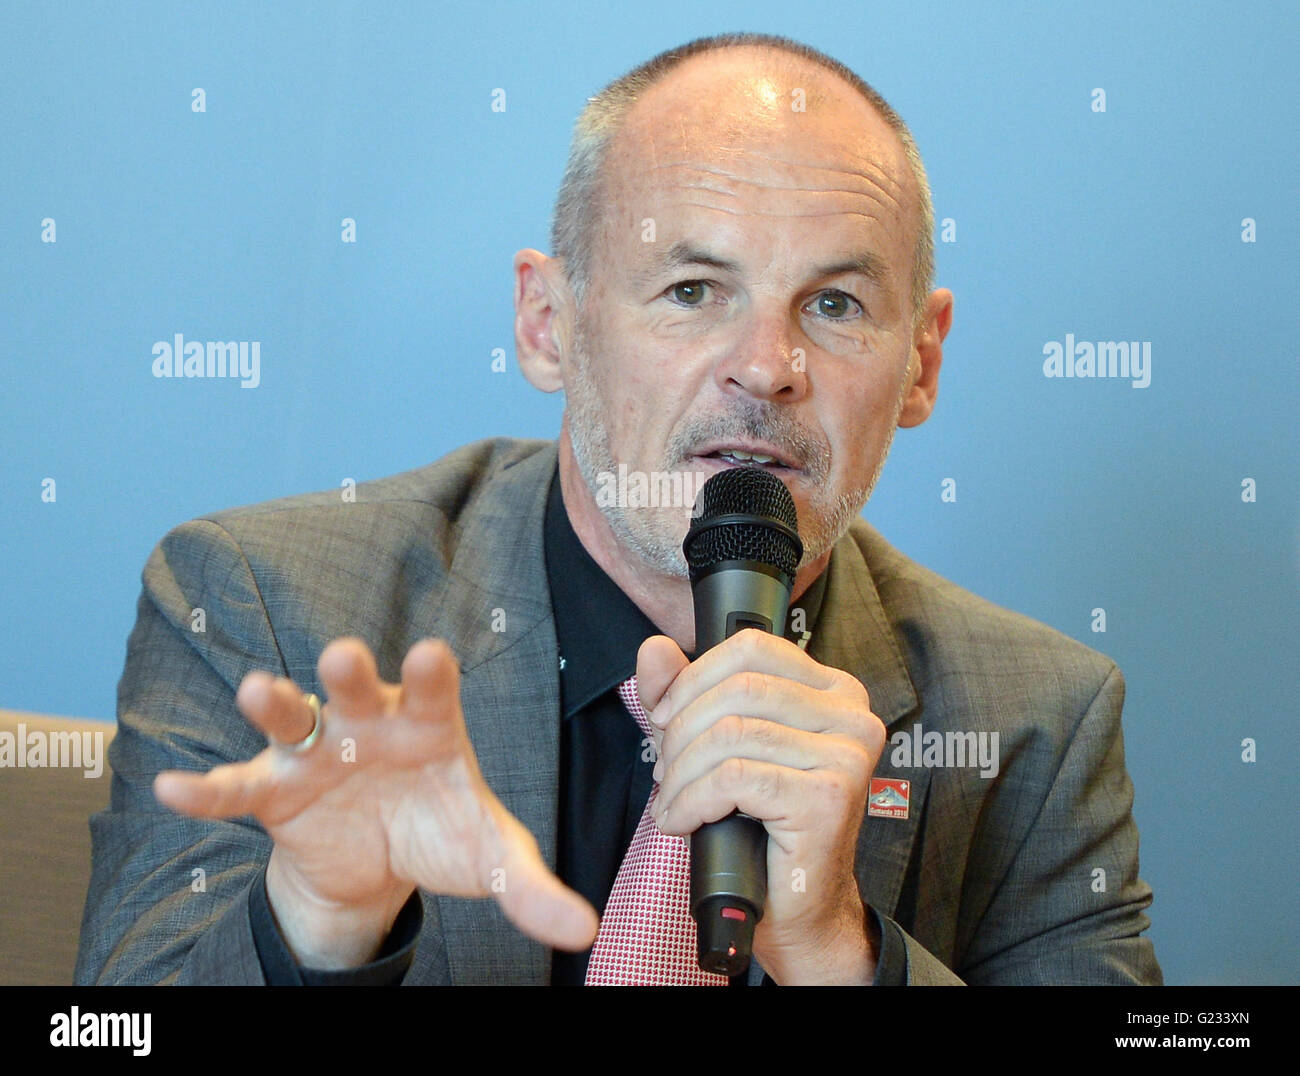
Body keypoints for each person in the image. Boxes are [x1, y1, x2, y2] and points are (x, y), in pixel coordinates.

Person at [75, 32, 1161, 986]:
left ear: (920, 362)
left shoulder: (1037, 721)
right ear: (548, 322)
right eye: (693, 290)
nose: (766, 367)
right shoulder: (262, 606)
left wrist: (836, 950)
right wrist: (312, 927)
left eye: (833, 304)